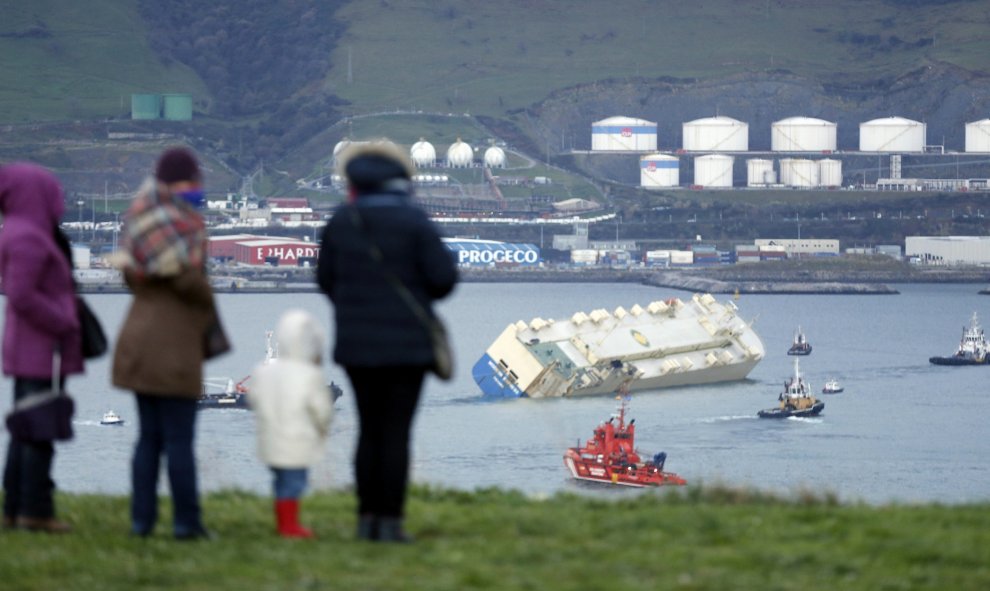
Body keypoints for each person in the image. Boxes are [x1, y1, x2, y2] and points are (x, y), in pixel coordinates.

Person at [317, 141, 458, 543]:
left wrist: (354, 305)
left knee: (368, 431)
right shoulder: (415, 220)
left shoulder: (343, 221)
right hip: (408, 348)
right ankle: (391, 522)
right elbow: (444, 280)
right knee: (396, 433)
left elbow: (325, 281)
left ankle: (366, 520)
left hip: (357, 347)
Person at [111, 147, 220, 540]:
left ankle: (141, 522)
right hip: (175, 345)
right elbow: (192, 283)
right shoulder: (188, 225)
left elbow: (129, 279)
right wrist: (205, 294)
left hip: (138, 339)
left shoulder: (138, 220)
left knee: (147, 438)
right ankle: (186, 523)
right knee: (179, 440)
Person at [0, 163, 83, 533]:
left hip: (26, 346)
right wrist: (63, 321)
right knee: (38, 429)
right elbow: (21, 293)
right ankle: (34, 510)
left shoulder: (17, 232)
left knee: (25, 428)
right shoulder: (30, 237)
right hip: (40, 349)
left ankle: (17, 507)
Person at [248, 309, 334, 539]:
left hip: (269, 440)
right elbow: (322, 410)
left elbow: (252, 398)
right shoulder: (310, 375)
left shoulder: (262, 371)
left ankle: (282, 521)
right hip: (297, 442)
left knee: (280, 482)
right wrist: (323, 427)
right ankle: (289, 526)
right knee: (294, 484)